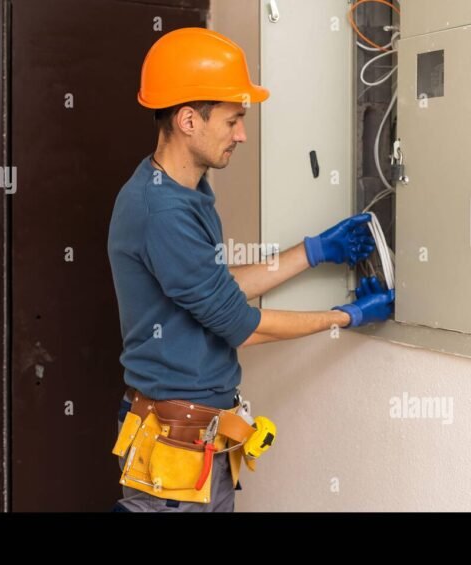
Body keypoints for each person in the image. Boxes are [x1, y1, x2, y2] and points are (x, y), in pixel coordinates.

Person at [107, 27, 394, 512]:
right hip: (173, 450)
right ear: (188, 120)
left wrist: (314, 251)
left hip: (201, 442)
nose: (241, 134)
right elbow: (242, 326)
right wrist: (346, 316)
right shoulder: (161, 211)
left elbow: (216, 288)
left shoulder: (186, 191)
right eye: (233, 119)